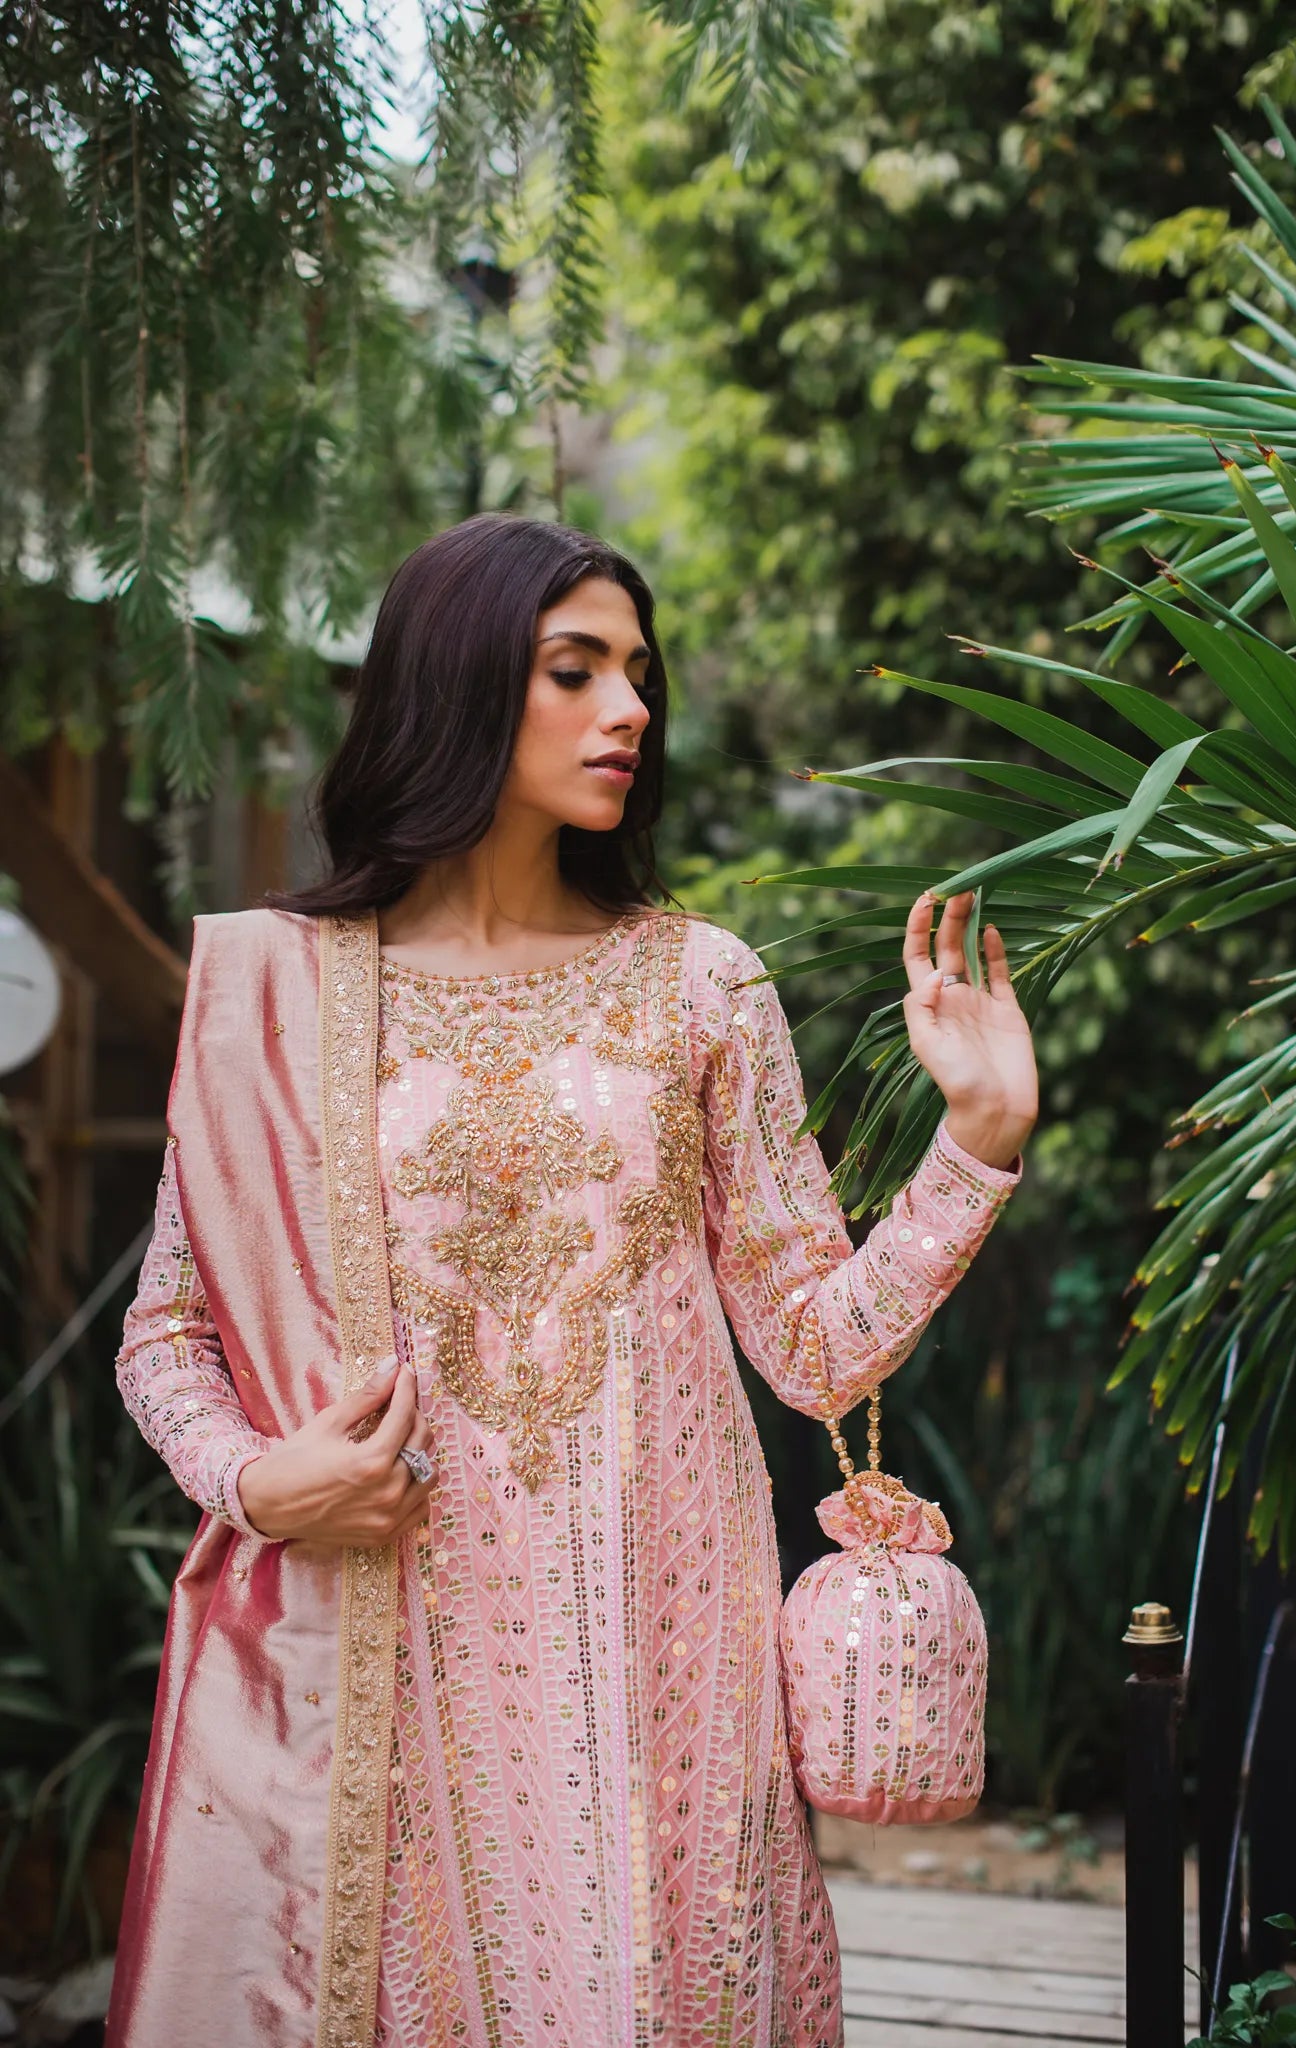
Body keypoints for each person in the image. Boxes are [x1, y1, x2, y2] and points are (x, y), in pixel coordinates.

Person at [105, 514, 1037, 2048]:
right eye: (576, 669)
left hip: (661, 1643)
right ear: (456, 680)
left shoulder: (699, 983)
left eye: (639, 675)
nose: (629, 710)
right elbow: (169, 1333)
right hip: (385, 1631)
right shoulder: (279, 997)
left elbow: (813, 1350)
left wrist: (975, 1144)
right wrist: (260, 1485)